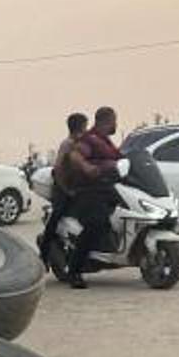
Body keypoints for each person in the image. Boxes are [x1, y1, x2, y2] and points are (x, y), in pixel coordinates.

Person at [63, 107, 125, 289]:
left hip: (107, 189)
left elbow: (120, 159)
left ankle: (109, 253)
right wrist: (86, 167)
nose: (116, 125)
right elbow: (75, 155)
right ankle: (74, 271)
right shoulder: (90, 139)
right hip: (89, 191)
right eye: (115, 121)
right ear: (107, 121)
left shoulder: (106, 141)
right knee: (96, 224)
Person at [39, 112, 90, 266]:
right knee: (56, 217)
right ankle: (44, 254)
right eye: (85, 126)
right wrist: (67, 191)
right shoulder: (67, 144)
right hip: (63, 190)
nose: (87, 130)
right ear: (79, 127)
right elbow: (58, 169)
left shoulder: (81, 145)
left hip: (77, 188)